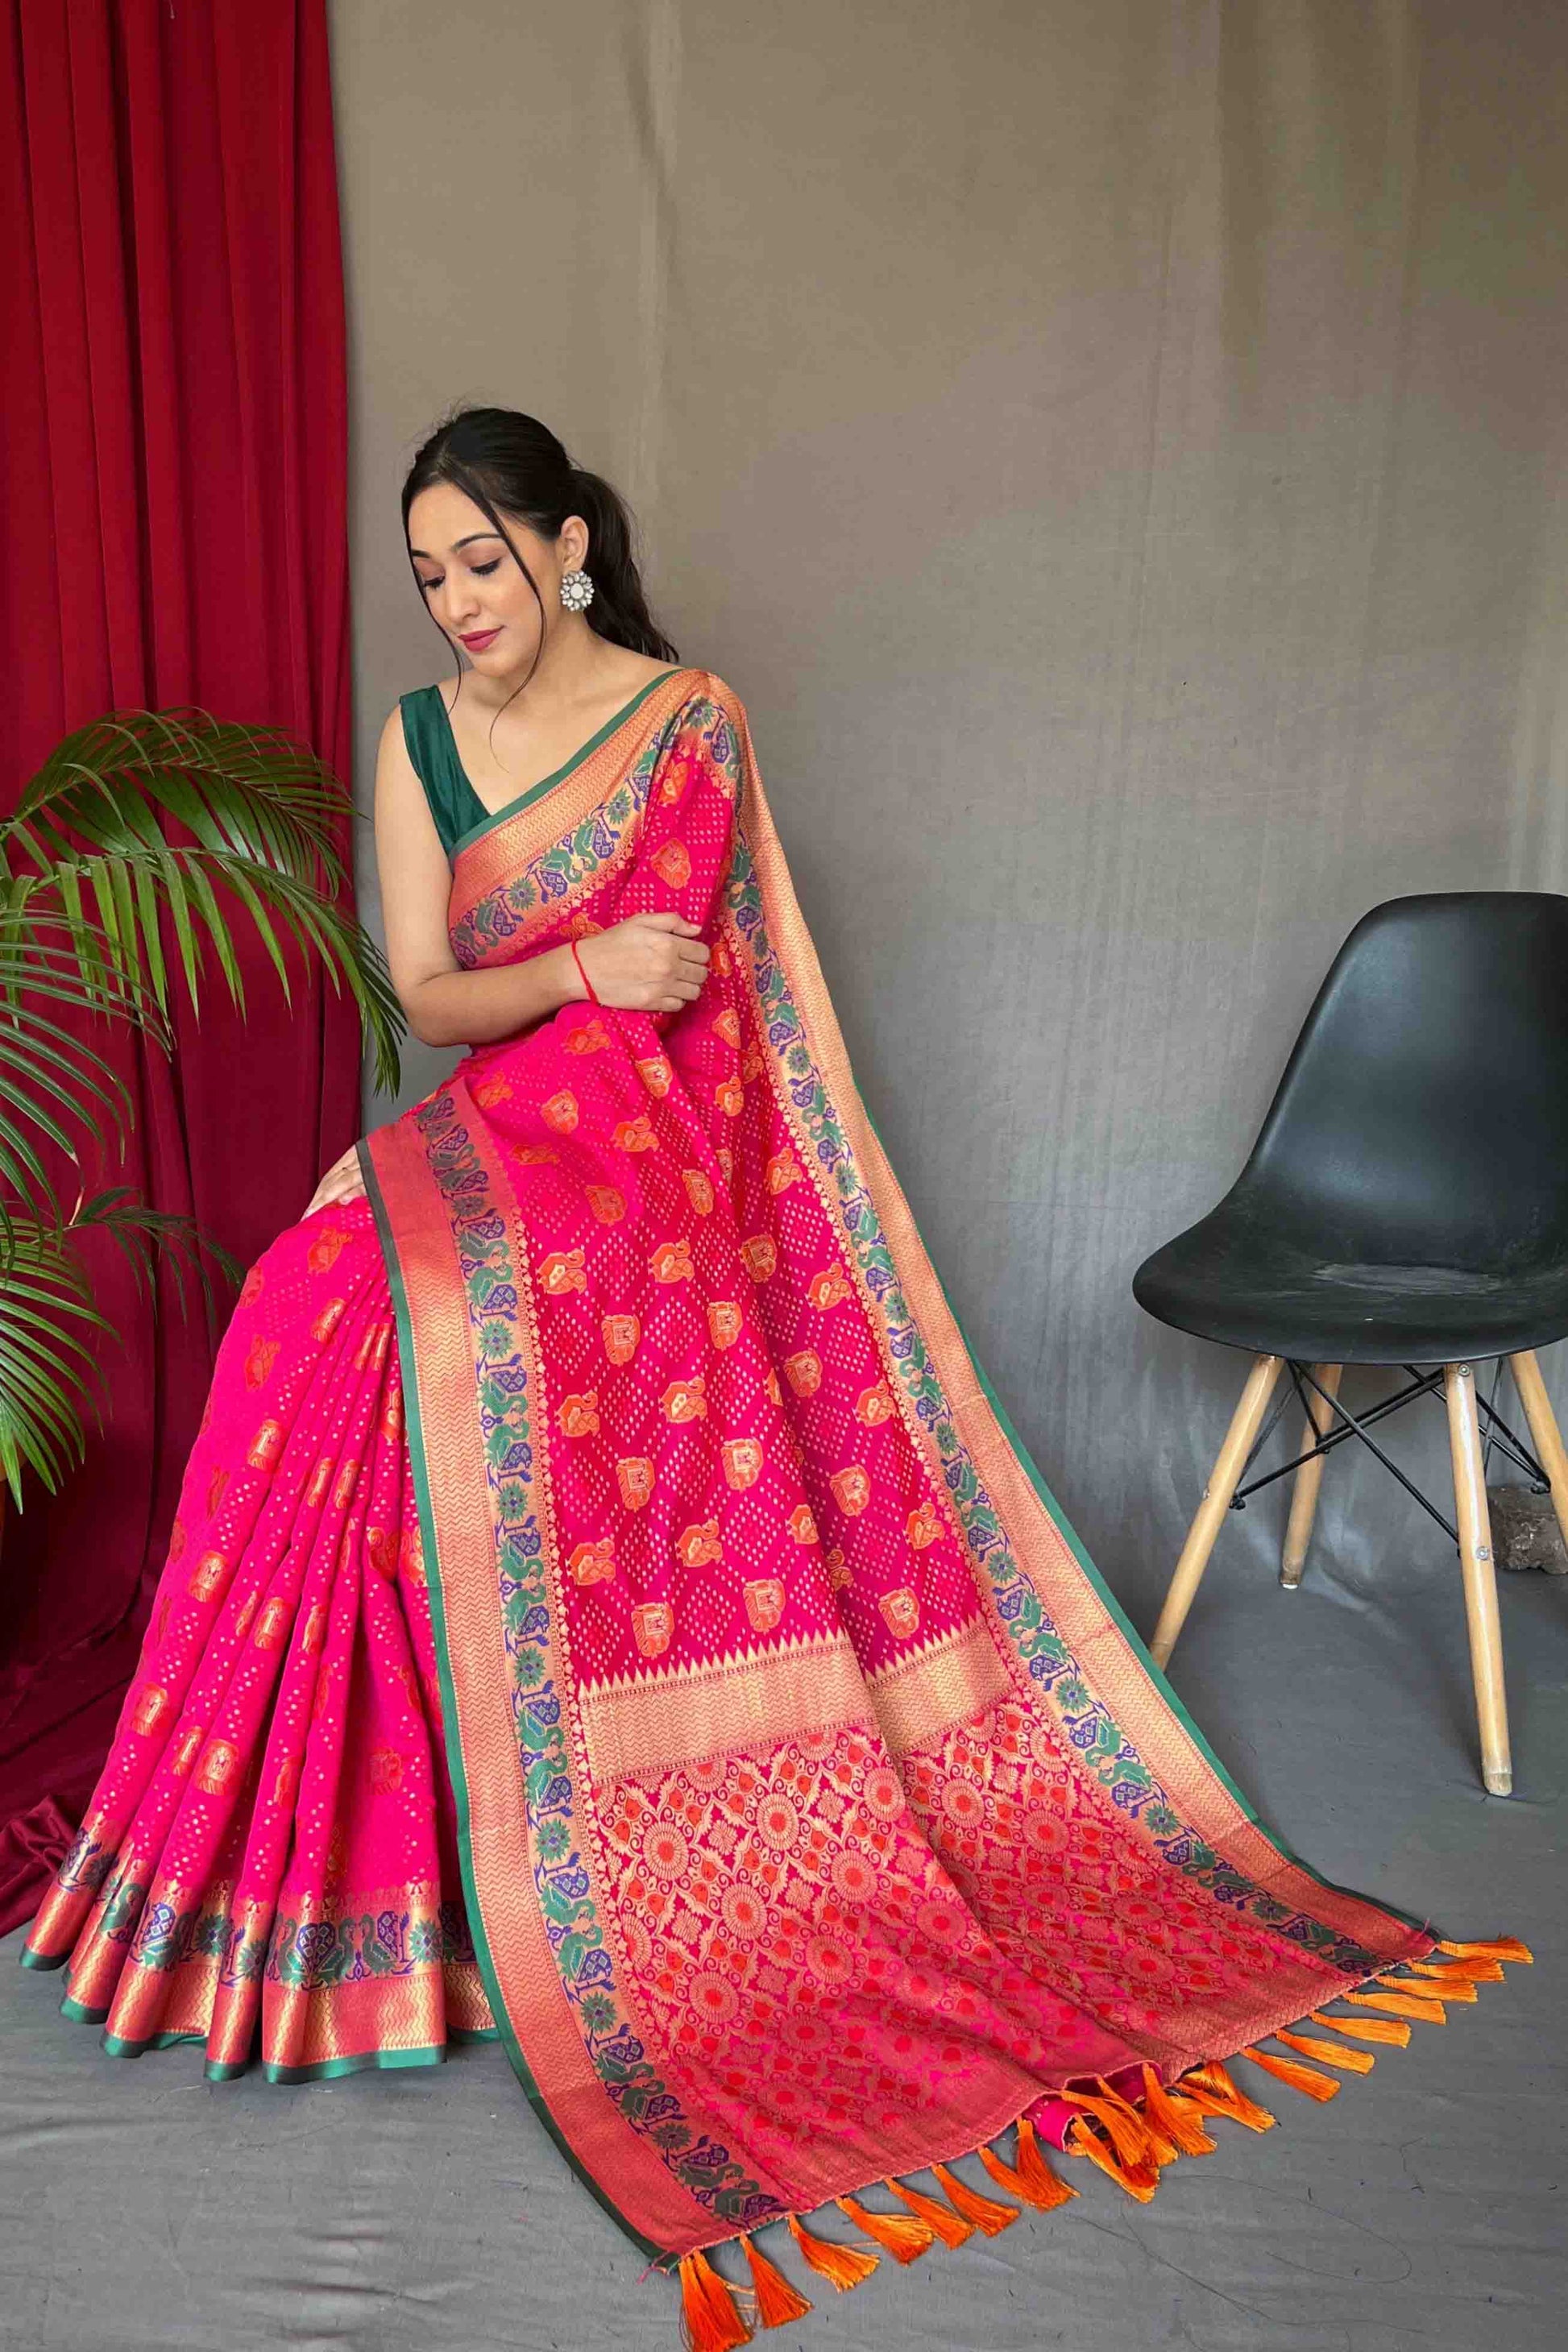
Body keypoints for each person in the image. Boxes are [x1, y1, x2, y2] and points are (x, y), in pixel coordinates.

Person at [19, 406, 1526, 2346]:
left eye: (483, 558)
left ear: (566, 545)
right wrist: (566, 982)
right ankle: (346, 1884)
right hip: (497, 1131)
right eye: (428, 573)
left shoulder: (687, 724)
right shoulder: (413, 742)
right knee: (312, 1307)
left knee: (461, 1326)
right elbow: (428, 995)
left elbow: (720, 1032)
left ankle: (517, 1862)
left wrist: (610, 1042)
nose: (457, 601)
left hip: (651, 1158)